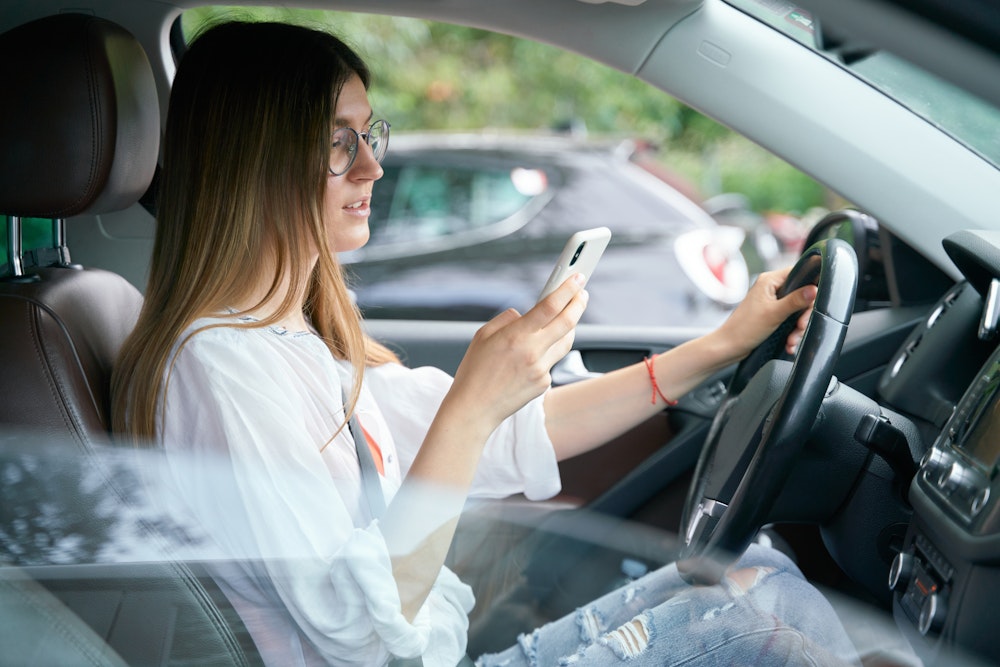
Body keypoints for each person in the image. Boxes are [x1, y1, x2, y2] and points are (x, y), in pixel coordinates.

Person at [111, 19, 858, 667]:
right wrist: (472, 403)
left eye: (369, 135)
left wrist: (723, 343)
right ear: (255, 159)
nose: (373, 165)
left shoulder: (294, 343)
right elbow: (358, 639)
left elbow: (515, 434)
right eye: (339, 143)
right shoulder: (219, 365)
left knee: (760, 570)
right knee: (765, 620)